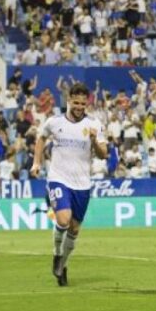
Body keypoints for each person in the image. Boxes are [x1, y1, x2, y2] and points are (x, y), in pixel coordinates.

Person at [31, 83, 108, 286]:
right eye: (76, 102)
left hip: (82, 183)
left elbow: (104, 154)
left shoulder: (94, 125)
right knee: (63, 220)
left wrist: (93, 141)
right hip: (58, 178)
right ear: (69, 100)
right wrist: (37, 162)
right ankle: (57, 253)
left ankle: (62, 265)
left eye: (83, 103)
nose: (79, 107)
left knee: (74, 229)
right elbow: (41, 138)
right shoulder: (54, 122)